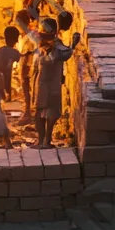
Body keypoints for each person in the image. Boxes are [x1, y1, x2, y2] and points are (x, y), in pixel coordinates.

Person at [33, 19, 81, 148]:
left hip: (52, 84)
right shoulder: (39, 45)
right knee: (38, 113)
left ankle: (47, 140)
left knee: (52, 113)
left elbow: (66, 54)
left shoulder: (57, 46)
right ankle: (41, 139)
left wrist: (72, 45)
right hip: (40, 84)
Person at [14, 8, 40, 123]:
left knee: (30, 89)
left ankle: (29, 112)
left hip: (29, 63)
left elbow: (38, 48)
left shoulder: (32, 34)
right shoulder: (21, 36)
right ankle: (27, 111)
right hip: (22, 63)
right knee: (24, 89)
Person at [0, 27, 21, 103]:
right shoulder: (14, 52)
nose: (17, 41)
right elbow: (22, 61)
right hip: (2, 84)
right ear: (14, 39)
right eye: (16, 38)